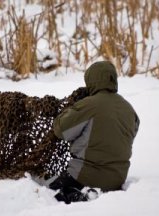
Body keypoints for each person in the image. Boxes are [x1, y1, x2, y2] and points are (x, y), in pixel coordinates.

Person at [46, 61, 140, 204]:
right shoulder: (129, 109)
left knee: (48, 191)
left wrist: (71, 109)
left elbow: (61, 131)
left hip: (85, 176)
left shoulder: (88, 105)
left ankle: (76, 195)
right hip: (118, 178)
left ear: (91, 80)